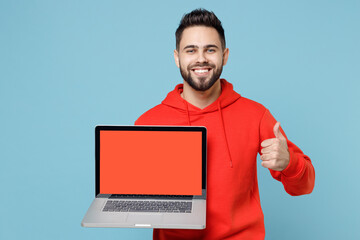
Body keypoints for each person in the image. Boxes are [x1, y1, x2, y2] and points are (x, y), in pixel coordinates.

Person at [135, 8, 315, 240]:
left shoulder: (256, 115)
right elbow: (136, 200)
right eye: (191, 50)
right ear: (177, 57)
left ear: (225, 55)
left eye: (210, 50)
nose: (201, 58)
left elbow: (304, 185)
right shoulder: (149, 122)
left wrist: (289, 163)